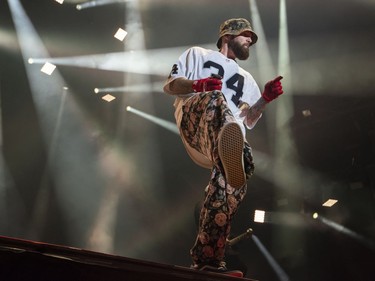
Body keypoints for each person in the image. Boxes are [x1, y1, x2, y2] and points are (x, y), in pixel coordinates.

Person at [163, 18, 283, 275]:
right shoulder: (198, 54)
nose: (250, 40)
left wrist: (265, 98)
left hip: (225, 137)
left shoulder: (247, 78)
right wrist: (198, 85)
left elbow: (249, 119)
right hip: (197, 120)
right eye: (246, 35)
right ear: (228, 35)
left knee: (232, 185)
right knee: (217, 99)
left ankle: (208, 259)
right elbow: (171, 84)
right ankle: (224, 136)